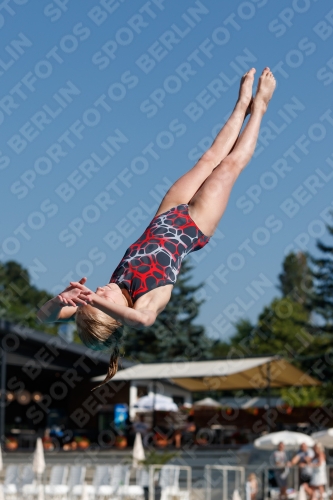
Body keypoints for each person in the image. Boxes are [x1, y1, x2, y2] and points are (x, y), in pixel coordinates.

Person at [37, 67, 276, 387]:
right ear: (113, 314)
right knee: (229, 166)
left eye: (94, 296)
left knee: (209, 158)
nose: (97, 292)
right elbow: (144, 320)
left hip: (164, 217)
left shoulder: (109, 293)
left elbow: (44, 316)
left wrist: (62, 301)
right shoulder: (146, 300)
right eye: (99, 300)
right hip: (194, 225)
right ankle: (260, 106)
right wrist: (96, 302)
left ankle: (241, 102)